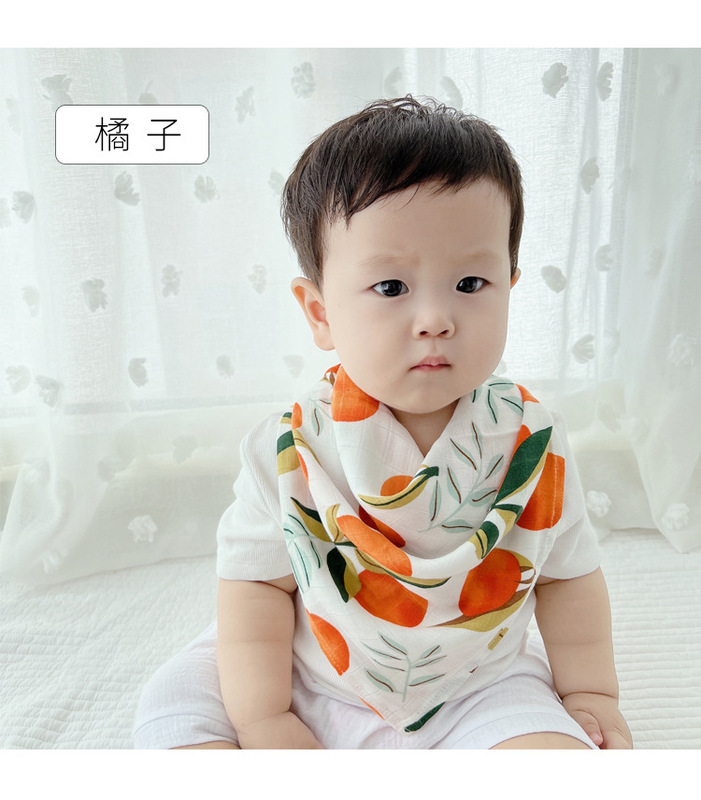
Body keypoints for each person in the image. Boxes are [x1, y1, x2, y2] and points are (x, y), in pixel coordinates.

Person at [133, 96, 633, 750]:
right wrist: (264, 718)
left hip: (473, 682)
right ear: (319, 313)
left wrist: (591, 692)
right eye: (392, 288)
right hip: (304, 666)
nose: (435, 319)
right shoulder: (290, 449)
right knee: (172, 706)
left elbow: (568, 578)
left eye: (470, 284)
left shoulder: (532, 444)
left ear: (509, 287)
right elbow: (257, 589)